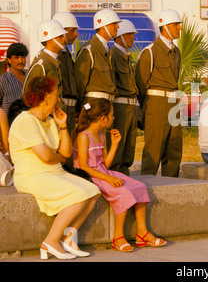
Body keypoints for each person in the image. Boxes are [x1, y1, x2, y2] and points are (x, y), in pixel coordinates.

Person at [9, 76, 101, 260]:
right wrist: (58, 158)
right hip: (32, 174)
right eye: (55, 94)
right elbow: (46, 156)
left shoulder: (50, 121)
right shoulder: (25, 120)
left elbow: (65, 153)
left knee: (93, 190)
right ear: (45, 96)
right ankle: (50, 241)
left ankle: (68, 239)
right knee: (79, 194)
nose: (58, 99)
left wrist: (63, 126)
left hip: (53, 172)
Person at [72, 98, 166, 252]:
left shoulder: (101, 135)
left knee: (140, 186)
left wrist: (115, 144)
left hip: (103, 172)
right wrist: (108, 178)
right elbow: (83, 166)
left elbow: (105, 164)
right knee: (123, 192)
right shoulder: (84, 136)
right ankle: (118, 237)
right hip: (90, 175)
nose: (114, 118)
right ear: (103, 118)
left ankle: (142, 232)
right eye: (112, 115)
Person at [135, 9, 183, 177]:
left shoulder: (176, 52)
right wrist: (145, 109)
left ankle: (171, 186)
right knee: (153, 148)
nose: (179, 28)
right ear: (166, 26)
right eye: (176, 25)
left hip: (174, 103)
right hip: (155, 103)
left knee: (174, 149)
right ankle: (148, 186)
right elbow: (140, 84)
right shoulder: (150, 51)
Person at [74, 9, 121, 113]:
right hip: (93, 107)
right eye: (114, 23)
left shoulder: (108, 50)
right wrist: (80, 109)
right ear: (104, 25)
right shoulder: (89, 50)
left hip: (107, 106)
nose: (117, 26)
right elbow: (79, 83)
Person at [109, 19, 139, 175]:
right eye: (129, 34)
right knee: (119, 148)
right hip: (119, 107)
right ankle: (117, 176)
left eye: (133, 34)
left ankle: (125, 174)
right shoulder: (113, 55)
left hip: (131, 107)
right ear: (119, 36)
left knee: (129, 147)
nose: (132, 37)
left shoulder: (127, 56)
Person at [23, 20, 67, 109]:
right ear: (50, 40)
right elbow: (30, 97)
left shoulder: (56, 60)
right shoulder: (41, 64)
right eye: (60, 36)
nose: (64, 39)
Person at [52, 12, 80, 137]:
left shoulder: (67, 55)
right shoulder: (51, 58)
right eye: (72, 30)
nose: (76, 34)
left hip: (70, 112)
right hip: (58, 113)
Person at [0, 43, 28, 115]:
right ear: (9, 60)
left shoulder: (30, 78)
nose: (20, 61)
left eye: (23, 57)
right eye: (16, 57)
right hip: (10, 124)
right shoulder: (2, 81)